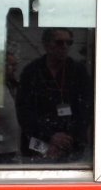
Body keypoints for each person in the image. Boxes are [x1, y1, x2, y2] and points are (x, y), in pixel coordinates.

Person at [15, 27, 93, 162]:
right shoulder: (32, 72)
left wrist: (69, 139)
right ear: (46, 45)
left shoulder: (78, 71)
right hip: (37, 142)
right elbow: (24, 111)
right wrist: (50, 136)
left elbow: (86, 109)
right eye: (59, 42)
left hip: (71, 143)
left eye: (69, 43)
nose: (64, 47)